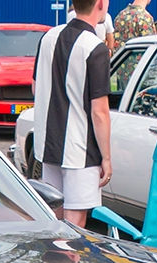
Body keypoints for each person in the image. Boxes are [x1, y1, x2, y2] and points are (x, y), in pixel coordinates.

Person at [32, 0, 112, 227]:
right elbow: (100, 112)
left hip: (48, 145)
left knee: (53, 220)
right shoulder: (95, 48)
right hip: (80, 150)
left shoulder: (48, 37)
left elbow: (35, 87)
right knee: (74, 229)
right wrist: (106, 158)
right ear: (100, 4)